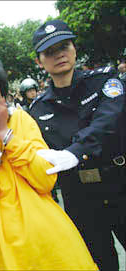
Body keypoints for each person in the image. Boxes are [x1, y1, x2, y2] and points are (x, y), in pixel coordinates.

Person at [0, 52, 97, 270]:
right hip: (0, 253)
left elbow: (46, 180)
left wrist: (5, 133)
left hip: (50, 241)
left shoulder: (19, 119)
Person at [29, 20, 126, 270]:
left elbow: (109, 120)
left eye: (64, 46)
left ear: (74, 49)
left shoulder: (105, 80)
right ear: (39, 62)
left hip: (120, 182)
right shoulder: (38, 108)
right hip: (80, 197)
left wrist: (75, 152)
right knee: (100, 262)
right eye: (50, 51)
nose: (59, 54)